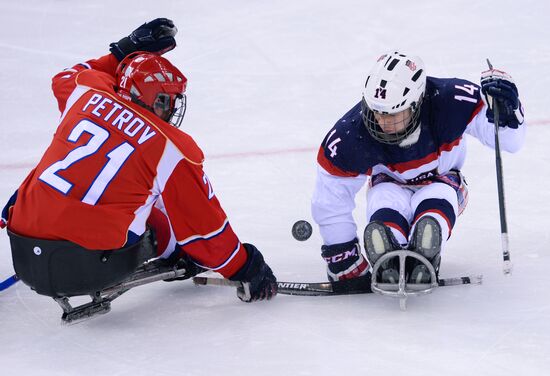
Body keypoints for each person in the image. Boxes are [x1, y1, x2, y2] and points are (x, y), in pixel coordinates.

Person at [1, 18, 277, 303]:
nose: (170, 109)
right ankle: (176, 253)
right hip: (83, 267)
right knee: (164, 205)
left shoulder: (86, 91)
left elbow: (71, 73)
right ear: (149, 98)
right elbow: (204, 229)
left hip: (22, 248)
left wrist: (124, 50)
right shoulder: (170, 147)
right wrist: (244, 266)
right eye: (164, 101)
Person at [311, 51, 526, 285]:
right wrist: (343, 255)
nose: (382, 122)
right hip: (389, 185)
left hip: (443, 181)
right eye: (376, 112)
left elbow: (510, 143)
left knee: (438, 198)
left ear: (416, 103)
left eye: (393, 113)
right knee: (384, 199)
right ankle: (389, 255)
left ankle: (424, 255)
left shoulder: (452, 101)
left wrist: (508, 114)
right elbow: (330, 197)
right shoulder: (350, 134)